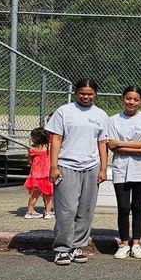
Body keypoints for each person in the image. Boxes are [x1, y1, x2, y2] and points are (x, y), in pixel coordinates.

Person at [46, 79, 109, 266]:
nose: (86, 96)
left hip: (91, 167)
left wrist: (104, 168)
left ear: (95, 94)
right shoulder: (64, 112)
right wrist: (53, 166)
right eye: (82, 93)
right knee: (67, 210)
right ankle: (62, 249)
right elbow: (56, 139)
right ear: (76, 93)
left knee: (85, 210)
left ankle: (77, 246)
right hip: (66, 165)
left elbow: (102, 143)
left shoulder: (101, 114)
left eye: (90, 94)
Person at [107, 86, 141, 260]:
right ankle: (124, 244)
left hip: (140, 170)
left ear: (140, 101)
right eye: (128, 98)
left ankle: (136, 243)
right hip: (120, 169)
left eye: (135, 99)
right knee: (123, 207)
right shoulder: (113, 119)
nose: (131, 102)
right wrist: (138, 146)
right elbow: (112, 145)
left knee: (138, 207)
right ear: (123, 98)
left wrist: (123, 145)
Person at [23, 128, 54, 219]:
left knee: (34, 195)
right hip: (46, 175)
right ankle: (48, 212)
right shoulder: (49, 147)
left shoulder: (32, 149)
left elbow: (30, 162)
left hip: (35, 175)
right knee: (48, 195)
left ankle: (30, 211)